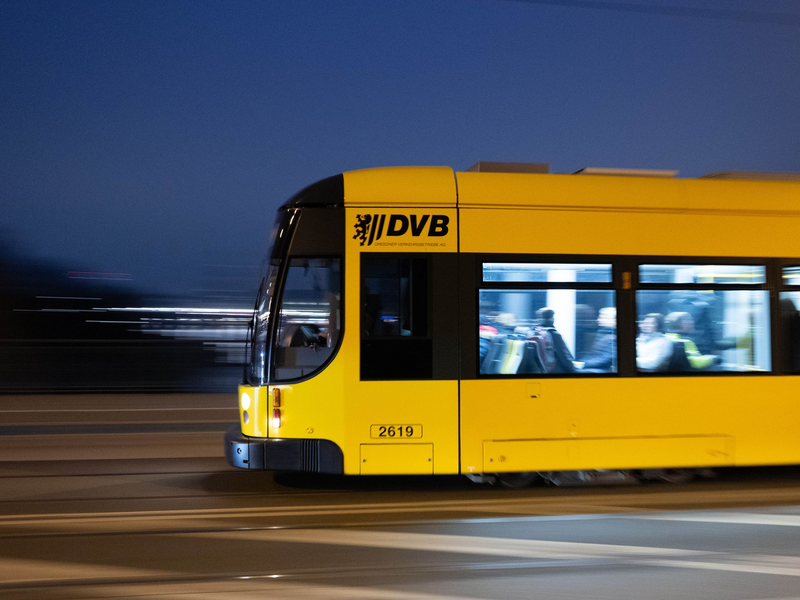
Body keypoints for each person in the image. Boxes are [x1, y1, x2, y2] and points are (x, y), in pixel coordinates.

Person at [532, 307, 575, 373]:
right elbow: (564, 357)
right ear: (552, 319)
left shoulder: (533, 333)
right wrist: (575, 371)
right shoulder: (554, 334)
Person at [577, 307, 616, 372]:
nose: (598, 319)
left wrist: (583, 364)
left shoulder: (612, 337)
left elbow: (605, 359)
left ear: (614, 320)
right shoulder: (603, 333)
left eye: (604, 317)